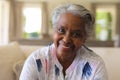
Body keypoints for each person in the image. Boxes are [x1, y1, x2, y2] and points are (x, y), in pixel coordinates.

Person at [19, 3, 108, 80]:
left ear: (84, 38)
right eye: (61, 30)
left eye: (76, 34)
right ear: (54, 31)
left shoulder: (95, 64)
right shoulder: (36, 60)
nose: (66, 39)